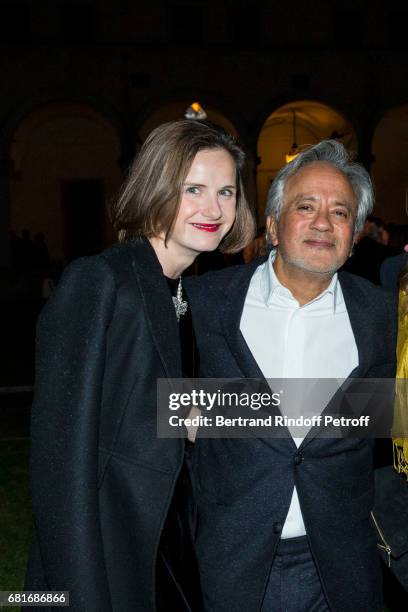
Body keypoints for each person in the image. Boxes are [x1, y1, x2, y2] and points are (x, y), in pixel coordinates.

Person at [24, 119, 255, 611]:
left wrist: (367, 409)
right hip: (106, 548)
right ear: (156, 186)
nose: (213, 209)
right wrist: (75, 592)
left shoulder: (184, 296)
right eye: (193, 188)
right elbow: (59, 459)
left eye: (226, 191)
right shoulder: (101, 281)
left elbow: (154, 407)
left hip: (167, 541)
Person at [185, 140, 397, 612]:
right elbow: (155, 406)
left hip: (342, 569)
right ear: (273, 226)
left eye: (340, 213)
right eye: (306, 207)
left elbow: (385, 415)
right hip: (227, 564)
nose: (323, 223)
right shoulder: (204, 305)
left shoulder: (385, 317)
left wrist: (223, 411)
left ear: (355, 234)